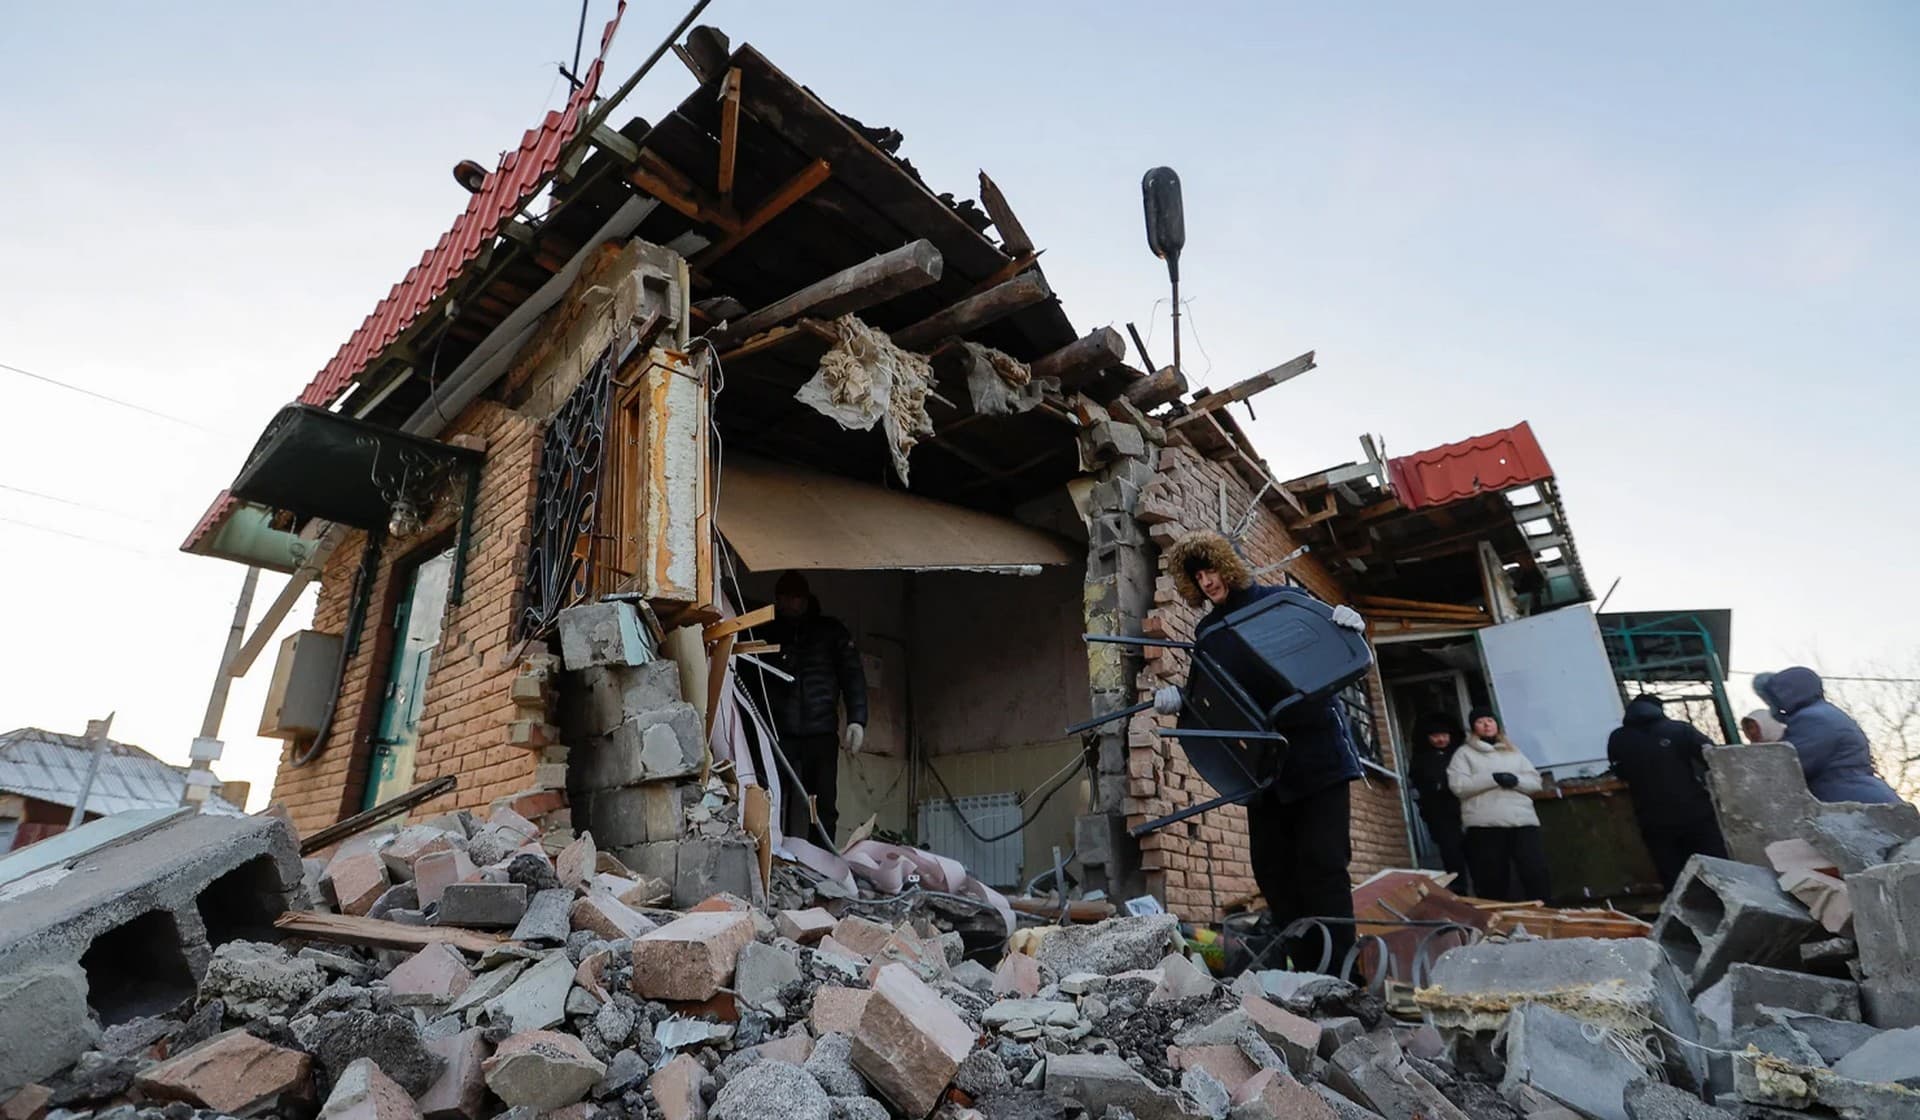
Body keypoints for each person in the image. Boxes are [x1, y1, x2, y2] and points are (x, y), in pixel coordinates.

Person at [1153, 530, 1369, 975]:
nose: (1208, 581)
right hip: (1264, 770)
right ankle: (1307, 976)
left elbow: (1334, 658)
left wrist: (1343, 625)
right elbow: (1216, 696)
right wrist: (1183, 698)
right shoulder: (1209, 632)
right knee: (1274, 872)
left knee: (1323, 866)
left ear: (1228, 565)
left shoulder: (1282, 605)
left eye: (1211, 569)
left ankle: (1344, 978)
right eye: (1198, 576)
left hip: (1317, 758)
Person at [759, 571, 869, 842]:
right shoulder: (767, 631)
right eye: (784, 598)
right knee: (771, 796)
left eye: (795, 597)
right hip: (779, 729)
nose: (790, 604)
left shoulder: (829, 631)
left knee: (822, 803)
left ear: (806, 599)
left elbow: (852, 675)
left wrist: (858, 719)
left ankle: (822, 861)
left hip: (820, 730)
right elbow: (753, 677)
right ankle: (773, 856)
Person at [1607, 695, 1729, 890]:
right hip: (1696, 813)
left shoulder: (1618, 738)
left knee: (1674, 878)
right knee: (1718, 870)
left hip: (1652, 819)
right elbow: (1715, 758)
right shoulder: (1680, 730)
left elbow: (1621, 773)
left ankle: (1684, 916)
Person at [1754, 667, 1905, 804]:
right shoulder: (1822, 713)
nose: (1773, 705)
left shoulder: (1813, 719)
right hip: (1862, 795)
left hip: (1851, 798)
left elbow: (1788, 765)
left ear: (1787, 694)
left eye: (1773, 699)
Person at [1447, 707, 1551, 902]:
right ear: (1473, 728)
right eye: (1480, 721)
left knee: (1535, 872)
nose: (1486, 725)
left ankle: (1545, 913)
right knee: (1492, 880)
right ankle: (1498, 920)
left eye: (1490, 720)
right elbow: (1458, 786)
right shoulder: (1464, 754)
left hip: (1523, 822)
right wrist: (1493, 778)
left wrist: (1515, 781)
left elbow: (1535, 782)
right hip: (1485, 825)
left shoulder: (1514, 752)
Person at [1408, 712, 1471, 885]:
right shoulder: (1421, 759)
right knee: (1452, 855)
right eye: (1436, 736)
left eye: (1444, 735)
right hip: (1440, 815)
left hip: (1467, 810)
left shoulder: (1461, 755)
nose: (1441, 739)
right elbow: (1419, 786)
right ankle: (1460, 891)